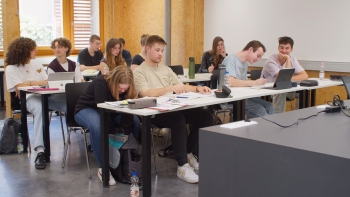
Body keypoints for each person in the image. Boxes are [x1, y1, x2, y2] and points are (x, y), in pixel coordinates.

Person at [133, 35, 213, 183]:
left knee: (206, 117)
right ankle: (182, 166)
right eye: (157, 50)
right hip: (155, 111)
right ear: (147, 49)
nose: (160, 54)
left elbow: (180, 86)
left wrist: (197, 88)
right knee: (178, 120)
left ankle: (188, 153)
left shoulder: (166, 69)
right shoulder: (139, 72)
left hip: (174, 106)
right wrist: (168, 88)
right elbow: (144, 93)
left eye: (162, 51)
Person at [5, 37, 66, 170]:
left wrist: (28, 83)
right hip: (27, 98)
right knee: (40, 108)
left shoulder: (37, 64)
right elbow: (19, 86)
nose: (36, 51)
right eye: (33, 49)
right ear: (25, 51)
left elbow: (46, 81)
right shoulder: (11, 68)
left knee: (70, 101)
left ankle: (89, 139)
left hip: (44, 95)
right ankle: (40, 151)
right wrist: (32, 83)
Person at [74, 66, 140, 185]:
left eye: (126, 89)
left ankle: (125, 158)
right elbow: (103, 112)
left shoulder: (126, 89)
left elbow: (127, 110)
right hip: (86, 109)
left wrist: (126, 134)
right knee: (98, 125)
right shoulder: (101, 82)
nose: (122, 91)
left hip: (111, 112)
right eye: (120, 88)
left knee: (134, 120)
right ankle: (103, 168)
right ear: (114, 82)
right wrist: (110, 134)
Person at [223, 40, 274, 118]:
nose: (258, 60)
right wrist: (254, 83)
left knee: (269, 106)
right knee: (259, 109)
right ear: (250, 50)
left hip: (242, 96)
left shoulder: (245, 64)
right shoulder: (231, 60)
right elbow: (230, 81)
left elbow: (243, 83)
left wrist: (257, 84)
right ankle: (268, 129)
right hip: (230, 98)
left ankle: (271, 128)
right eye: (258, 55)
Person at [262, 36, 308, 113]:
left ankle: (300, 115)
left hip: (286, 89)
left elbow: (305, 76)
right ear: (278, 48)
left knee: (303, 91)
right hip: (270, 90)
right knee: (281, 91)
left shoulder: (292, 58)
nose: (284, 50)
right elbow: (284, 79)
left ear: (291, 49)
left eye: (287, 48)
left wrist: (289, 78)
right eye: (282, 47)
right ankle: (278, 117)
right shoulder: (271, 60)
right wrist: (287, 59)